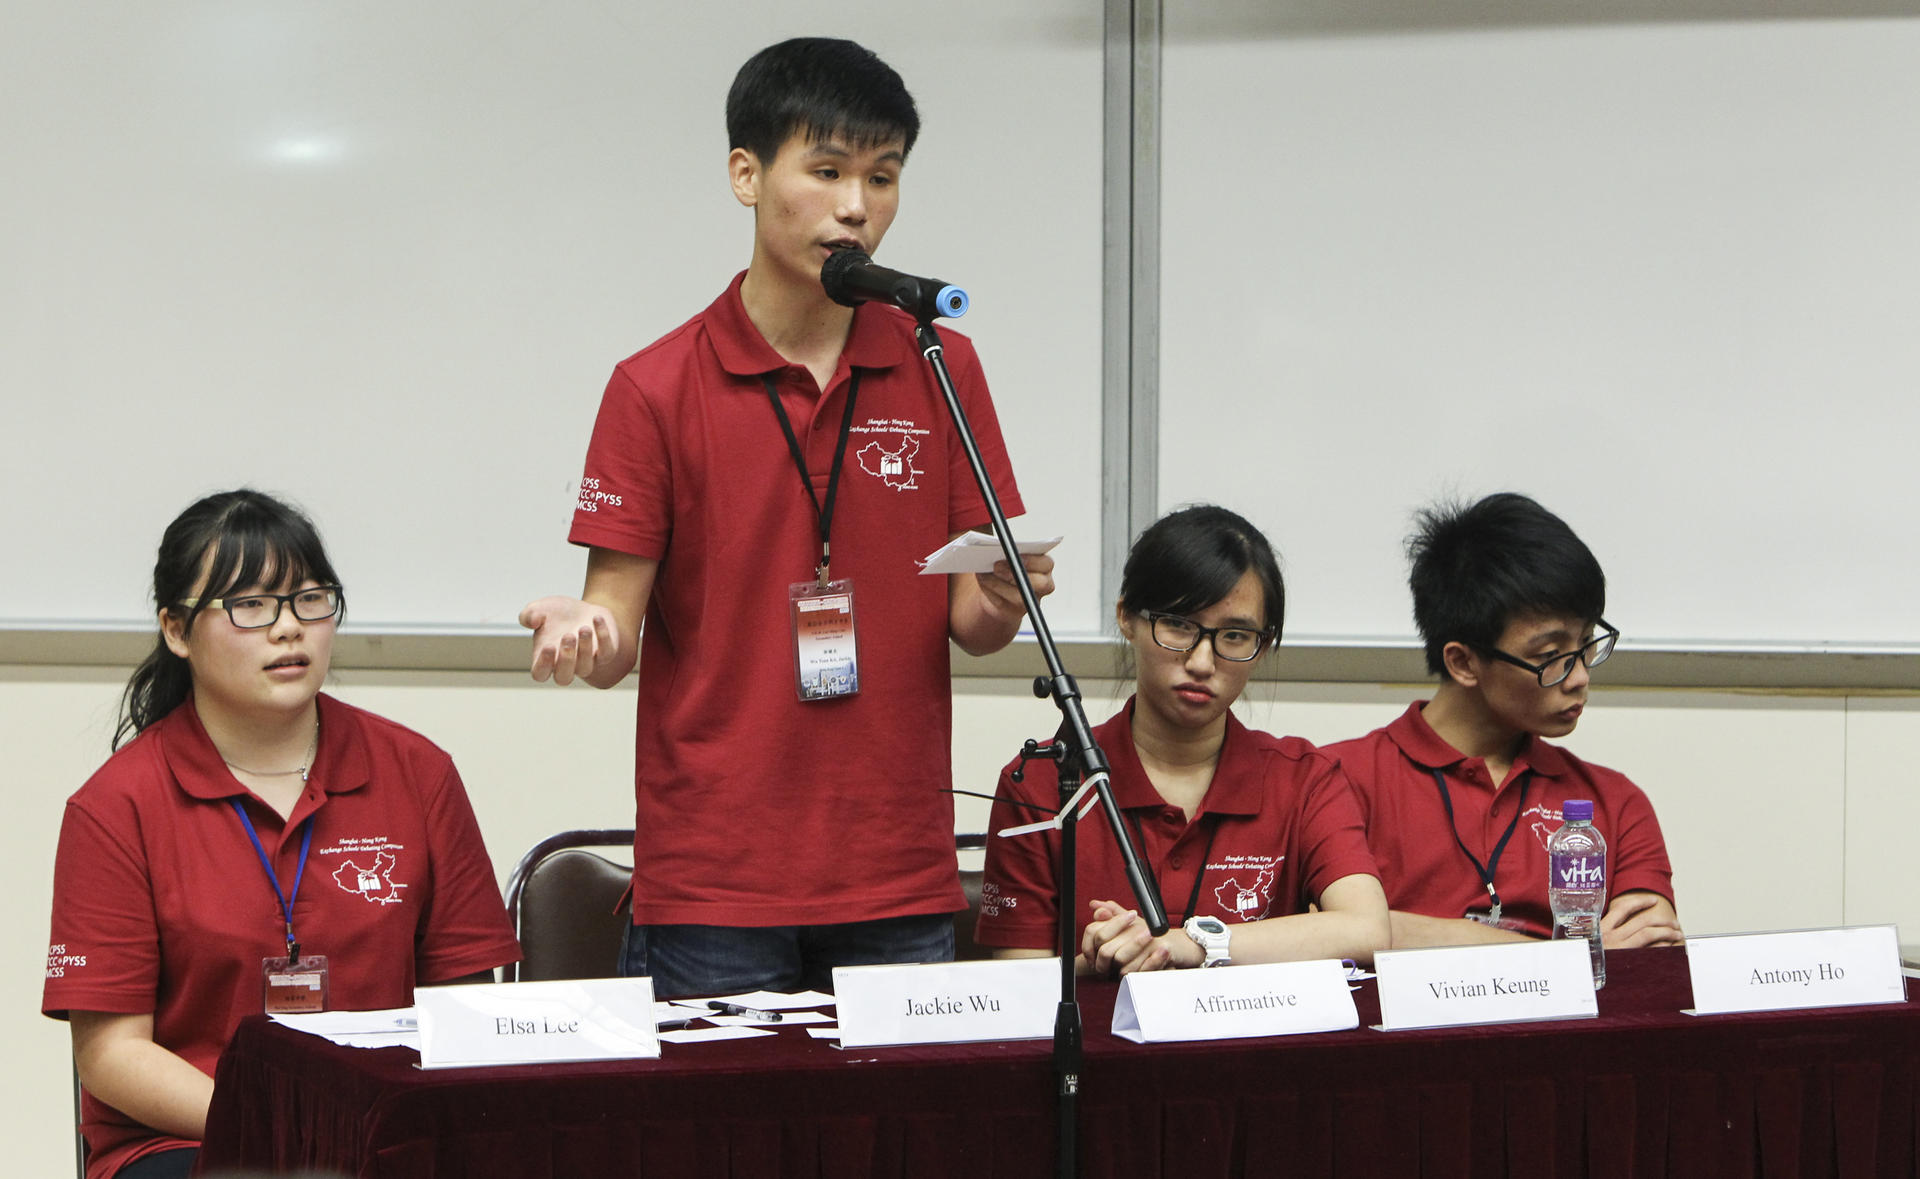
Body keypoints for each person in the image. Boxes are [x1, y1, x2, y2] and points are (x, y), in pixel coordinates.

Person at [518, 37, 1052, 997]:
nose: (858, 206)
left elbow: (973, 625)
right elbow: (615, 642)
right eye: (829, 170)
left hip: (896, 866)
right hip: (717, 881)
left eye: (883, 178)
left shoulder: (940, 362)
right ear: (746, 175)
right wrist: (585, 631)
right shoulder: (655, 386)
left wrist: (1008, 594)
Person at [43, 490, 521, 1179]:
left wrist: (388, 1127)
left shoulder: (418, 772)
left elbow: (468, 1005)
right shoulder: (116, 805)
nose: (289, 628)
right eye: (251, 606)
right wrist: (283, 1130)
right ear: (177, 630)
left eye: (310, 600)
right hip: (194, 1138)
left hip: (387, 1133)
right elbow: (112, 1053)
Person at [974, 505, 1388, 974]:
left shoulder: (1305, 778)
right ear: (1127, 617)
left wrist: (1188, 943)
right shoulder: (1039, 784)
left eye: (1234, 635)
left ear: (1265, 644)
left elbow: (1367, 930)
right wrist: (1105, 961)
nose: (1202, 662)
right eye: (1179, 626)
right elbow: (1015, 984)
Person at [1325, 492, 1682, 949]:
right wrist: (1561, 956)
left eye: (1587, 643)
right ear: (1464, 663)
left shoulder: (1614, 803)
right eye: (1551, 656)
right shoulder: (1337, 781)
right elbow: (1322, 934)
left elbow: (1644, 955)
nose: (1580, 678)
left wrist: (1404, 931)